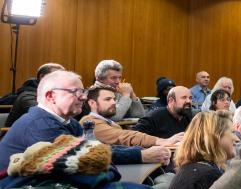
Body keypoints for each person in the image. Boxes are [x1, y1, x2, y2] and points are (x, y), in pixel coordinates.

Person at [0, 71, 171, 169]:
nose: (82, 97)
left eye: (83, 91)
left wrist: (140, 151)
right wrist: (140, 155)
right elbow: (85, 155)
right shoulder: (40, 124)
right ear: (51, 96)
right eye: (76, 92)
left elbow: (93, 149)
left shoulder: (70, 122)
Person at [164, 110, 235, 189]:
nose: (236, 138)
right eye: (232, 133)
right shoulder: (207, 177)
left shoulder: (195, 168)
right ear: (215, 137)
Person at [81, 85, 183, 147]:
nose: (113, 102)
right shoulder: (90, 123)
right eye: (108, 99)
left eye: (114, 99)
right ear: (92, 103)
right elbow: (124, 136)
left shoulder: (107, 122)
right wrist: (161, 141)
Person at [3, 63, 64, 128]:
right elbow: (44, 115)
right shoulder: (27, 96)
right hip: (20, 137)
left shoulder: (52, 95)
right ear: (42, 77)